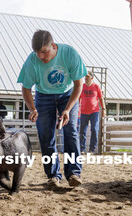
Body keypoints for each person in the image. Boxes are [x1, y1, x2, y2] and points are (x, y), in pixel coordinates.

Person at [17, 30, 87, 188]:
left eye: (44, 52)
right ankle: (53, 175)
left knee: (70, 131)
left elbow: (79, 84)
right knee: (45, 134)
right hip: (43, 95)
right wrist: (32, 108)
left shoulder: (70, 54)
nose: (41, 56)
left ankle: (73, 173)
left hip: (68, 94)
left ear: (53, 46)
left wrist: (68, 109)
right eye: (37, 53)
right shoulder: (31, 61)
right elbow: (26, 88)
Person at [79, 71, 106, 153]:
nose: (86, 78)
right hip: (83, 112)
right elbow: (78, 98)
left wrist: (104, 109)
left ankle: (92, 149)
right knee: (82, 130)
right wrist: (77, 108)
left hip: (94, 111)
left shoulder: (96, 86)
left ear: (92, 77)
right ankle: (82, 149)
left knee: (94, 129)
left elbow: (101, 98)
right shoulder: (82, 86)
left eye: (87, 76)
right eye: (85, 76)